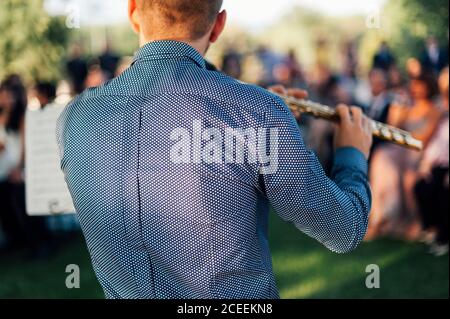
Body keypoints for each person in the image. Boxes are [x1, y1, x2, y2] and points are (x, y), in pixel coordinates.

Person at [57, 0, 373, 299]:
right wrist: (351, 154)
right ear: (219, 25)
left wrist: (256, 120)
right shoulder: (260, 113)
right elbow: (344, 229)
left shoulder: (74, 118)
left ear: (132, 10)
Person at [368, 72, 442, 240]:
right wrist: (395, 115)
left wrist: (406, 135)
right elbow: (392, 131)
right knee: (382, 156)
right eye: (413, 86)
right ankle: (381, 217)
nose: (414, 89)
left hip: (420, 152)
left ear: (428, 88)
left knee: (408, 173)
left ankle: (414, 220)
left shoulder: (433, 110)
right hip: (402, 149)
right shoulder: (408, 108)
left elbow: (425, 138)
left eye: (418, 86)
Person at [414, 67, 449, 256]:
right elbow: (436, 141)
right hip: (439, 162)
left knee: (445, 192)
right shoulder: (441, 110)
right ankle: (432, 229)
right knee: (421, 186)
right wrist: (426, 163)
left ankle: (444, 238)